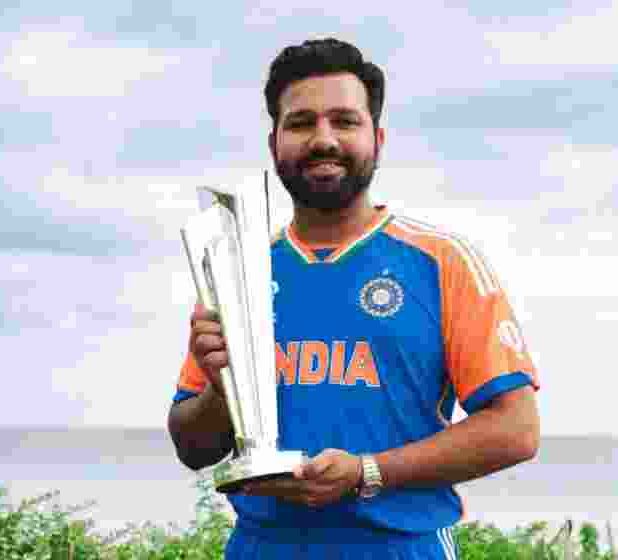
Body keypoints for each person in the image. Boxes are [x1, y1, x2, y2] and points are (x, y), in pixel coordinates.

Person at [168, 37, 541, 559]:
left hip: (398, 546)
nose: (324, 139)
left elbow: (516, 429)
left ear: (378, 138)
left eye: (344, 121)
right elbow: (192, 447)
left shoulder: (442, 261)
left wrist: (367, 473)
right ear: (274, 142)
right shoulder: (238, 272)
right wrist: (218, 384)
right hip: (261, 546)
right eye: (301, 123)